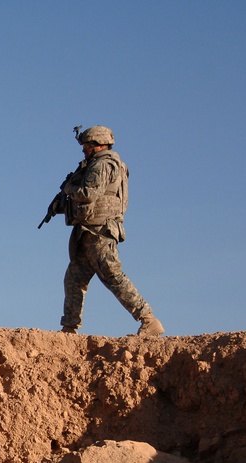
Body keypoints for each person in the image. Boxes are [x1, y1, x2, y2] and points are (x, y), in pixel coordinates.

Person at [45, 125, 164, 336]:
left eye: (86, 146)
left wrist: (68, 189)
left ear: (97, 144)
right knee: (74, 278)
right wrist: (61, 206)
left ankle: (148, 319)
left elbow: (88, 194)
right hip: (87, 231)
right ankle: (69, 328)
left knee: (112, 275)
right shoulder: (97, 165)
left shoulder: (103, 164)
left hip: (99, 231)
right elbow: (93, 200)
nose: (83, 150)